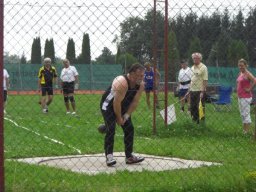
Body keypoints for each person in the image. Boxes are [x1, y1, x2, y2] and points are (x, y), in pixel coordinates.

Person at [100, 63, 145, 166]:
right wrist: (119, 118)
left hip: (123, 106)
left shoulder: (140, 85)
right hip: (108, 106)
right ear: (132, 74)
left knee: (129, 128)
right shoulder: (122, 82)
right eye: (140, 75)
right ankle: (109, 156)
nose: (142, 78)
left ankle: (129, 157)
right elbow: (116, 103)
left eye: (143, 75)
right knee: (111, 129)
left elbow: (135, 102)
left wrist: (126, 116)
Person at [236, 58, 256, 134]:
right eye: (239, 66)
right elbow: (238, 83)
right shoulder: (240, 73)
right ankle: (244, 130)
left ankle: (246, 131)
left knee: (246, 113)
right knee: (242, 114)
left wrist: (249, 89)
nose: (240, 67)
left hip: (246, 97)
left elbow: (254, 80)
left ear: (246, 65)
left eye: (242, 65)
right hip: (240, 96)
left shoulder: (247, 73)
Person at [188, 52, 208, 124]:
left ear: (200, 59)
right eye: (193, 58)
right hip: (192, 90)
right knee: (192, 107)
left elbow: (205, 80)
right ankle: (194, 122)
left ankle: (202, 123)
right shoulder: (192, 68)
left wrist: (202, 92)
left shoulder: (203, 67)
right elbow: (191, 80)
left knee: (200, 107)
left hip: (200, 90)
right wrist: (189, 90)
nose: (195, 59)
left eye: (196, 58)